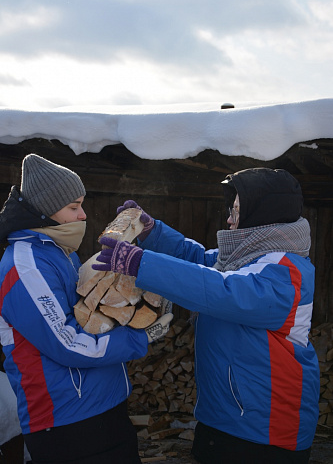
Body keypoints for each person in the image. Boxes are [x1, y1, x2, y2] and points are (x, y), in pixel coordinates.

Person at [92, 167, 320, 464]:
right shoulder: (247, 257)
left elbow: (221, 290)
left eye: (237, 212)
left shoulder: (286, 273)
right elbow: (199, 262)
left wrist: (141, 263)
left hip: (265, 429)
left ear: (262, 214)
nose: (229, 219)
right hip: (224, 416)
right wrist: (153, 232)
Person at [0, 154, 173, 464]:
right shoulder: (26, 265)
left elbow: (90, 319)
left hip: (103, 405)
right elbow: (66, 343)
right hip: (66, 419)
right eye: (73, 207)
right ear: (44, 211)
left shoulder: (57, 252)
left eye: (81, 204)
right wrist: (139, 338)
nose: (83, 215)